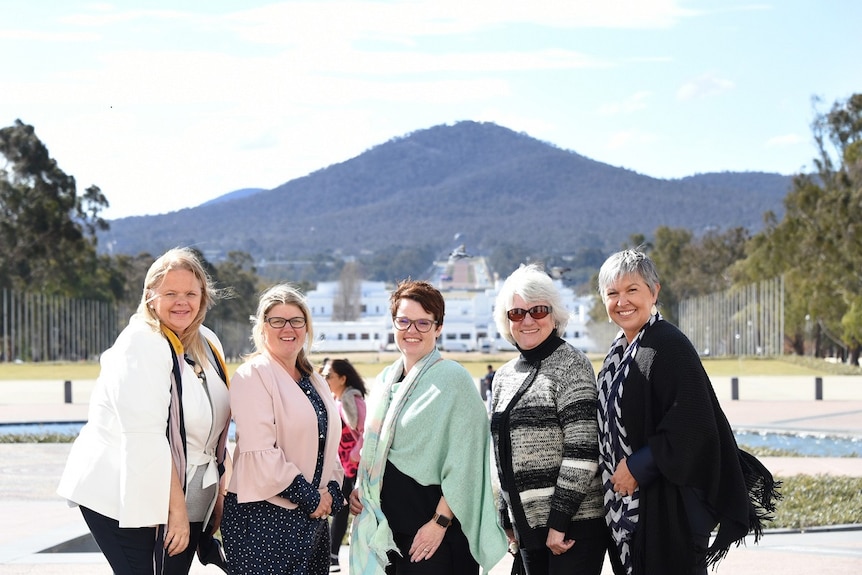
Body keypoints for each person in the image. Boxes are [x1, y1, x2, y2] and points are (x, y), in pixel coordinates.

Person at [595, 249, 780, 575]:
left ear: (654, 292)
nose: (622, 301)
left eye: (632, 290)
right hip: (631, 512)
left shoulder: (668, 345)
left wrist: (637, 466)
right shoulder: (619, 352)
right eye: (613, 293)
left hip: (670, 511)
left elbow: (694, 424)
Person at [57, 247, 232, 575]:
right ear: (150, 296)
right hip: (128, 494)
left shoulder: (207, 342)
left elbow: (217, 427)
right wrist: (174, 513)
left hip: (186, 496)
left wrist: (218, 492)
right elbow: (146, 438)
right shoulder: (142, 343)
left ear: (203, 297)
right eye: (170, 293)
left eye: (190, 293)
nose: (182, 302)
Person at [348, 279, 507, 575]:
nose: (412, 331)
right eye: (404, 321)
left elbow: (468, 463)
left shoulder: (453, 380)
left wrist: (439, 523)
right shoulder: (385, 381)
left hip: (433, 537)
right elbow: (375, 451)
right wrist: (363, 488)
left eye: (423, 323)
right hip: (386, 534)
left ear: (438, 327)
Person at [489, 264, 609, 575]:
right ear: (506, 320)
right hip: (529, 529)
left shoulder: (572, 365)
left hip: (571, 529)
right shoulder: (502, 377)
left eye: (538, 310)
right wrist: (506, 516)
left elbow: (583, 452)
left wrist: (559, 521)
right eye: (517, 313)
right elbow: (500, 454)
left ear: (554, 316)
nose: (527, 320)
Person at [221, 284, 345, 574]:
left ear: (306, 327)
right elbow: (262, 453)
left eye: (296, 321)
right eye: (277, 321)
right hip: (265, 521)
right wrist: (314, 499)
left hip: (311, 520)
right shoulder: (253, 376)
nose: (288, 328)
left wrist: (331, 494)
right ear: (263, 328)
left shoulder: (314, 378)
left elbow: (326, 443)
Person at [322, 358, 368, 572]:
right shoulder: (336, 400)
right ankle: (332, 557)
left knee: (350, 509)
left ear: (342, 378)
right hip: (344, 466)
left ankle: (335, 557)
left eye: (329, 376)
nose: (325, 379)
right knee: (340, 508)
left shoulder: (351, 399)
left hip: (356, 467)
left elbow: (366, 431)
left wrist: (355, 454)